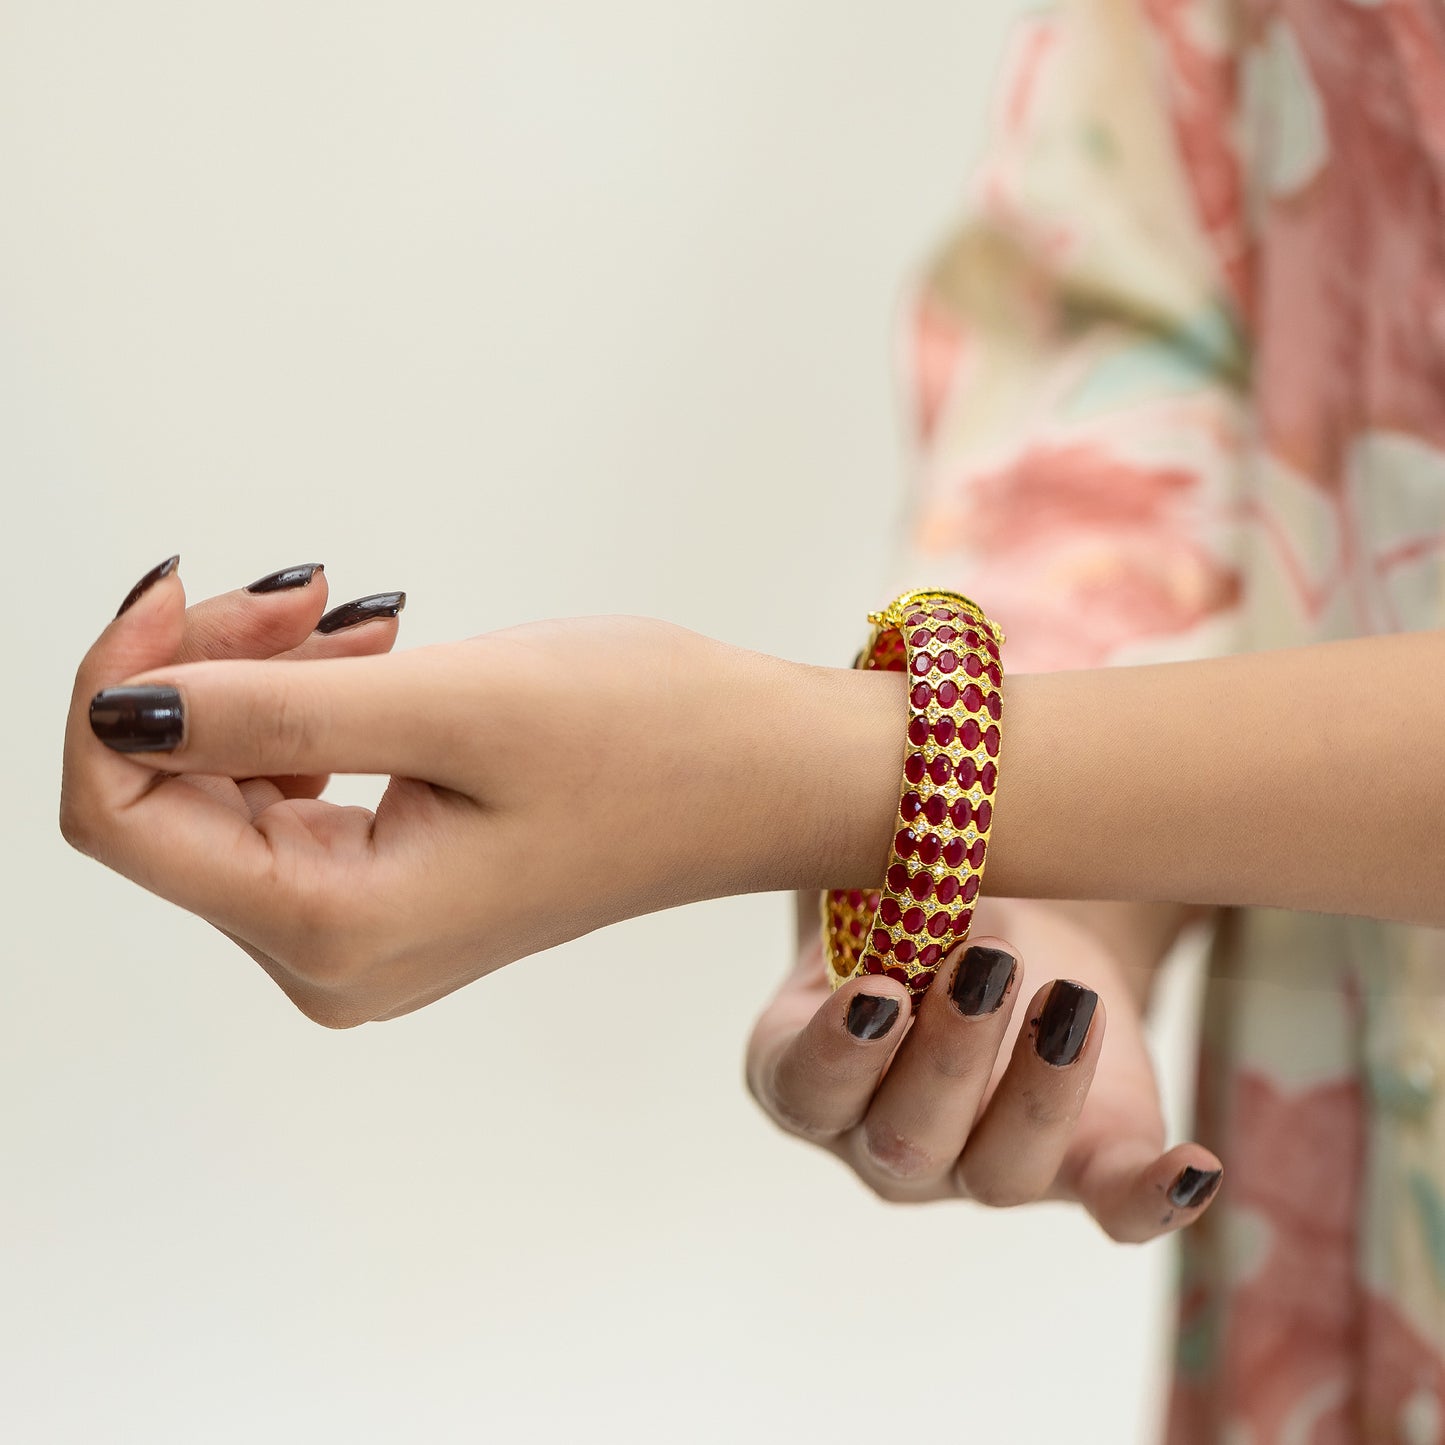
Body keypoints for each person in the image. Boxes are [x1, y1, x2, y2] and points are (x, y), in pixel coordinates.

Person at [57, 1, 1445, 1438]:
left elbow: (859, 770)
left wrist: (836, 778)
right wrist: (1051, 895)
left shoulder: (849, 774)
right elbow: (1141, 319)